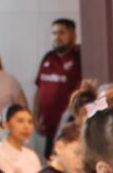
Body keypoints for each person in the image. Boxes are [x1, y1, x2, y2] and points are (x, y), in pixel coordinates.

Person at [33, 19, 82, 159]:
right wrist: (36, 118)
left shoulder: (80, 57)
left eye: (61, 32)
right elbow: (39, 89)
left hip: (70, 127)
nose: (57, 37)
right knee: (50, 161)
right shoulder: (48, 58)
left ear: (73, 34)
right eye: (54, 33)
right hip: (49, 128)